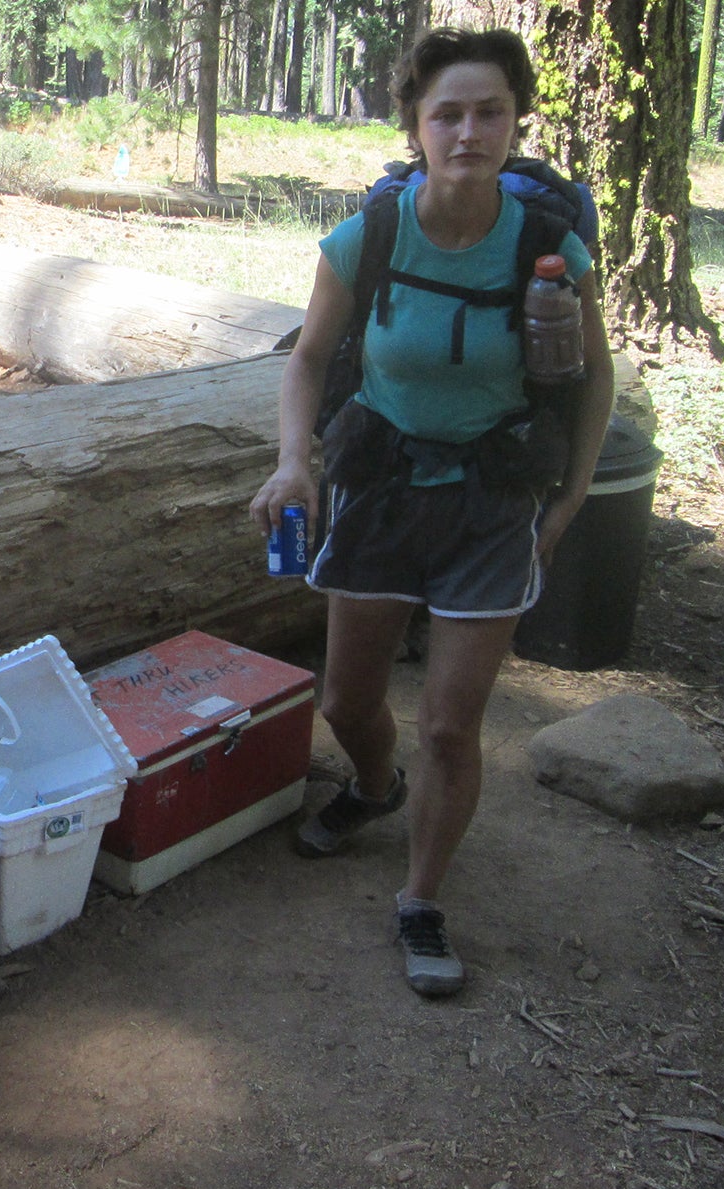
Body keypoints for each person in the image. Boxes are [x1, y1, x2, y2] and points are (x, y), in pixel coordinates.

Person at [250, 28, 613, 998]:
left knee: (452, 726)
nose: (467, 132)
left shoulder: (547, 244)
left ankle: (420, 898)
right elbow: (307, 359)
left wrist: (572, 494)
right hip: (380, 489)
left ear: (515, 120)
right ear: (415, 125)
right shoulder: (368, 234)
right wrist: (294, 461)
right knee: (344, 702)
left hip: (491, 502)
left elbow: (595, 375)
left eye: (489, 111)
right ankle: (376, 787)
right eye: (446, 114)